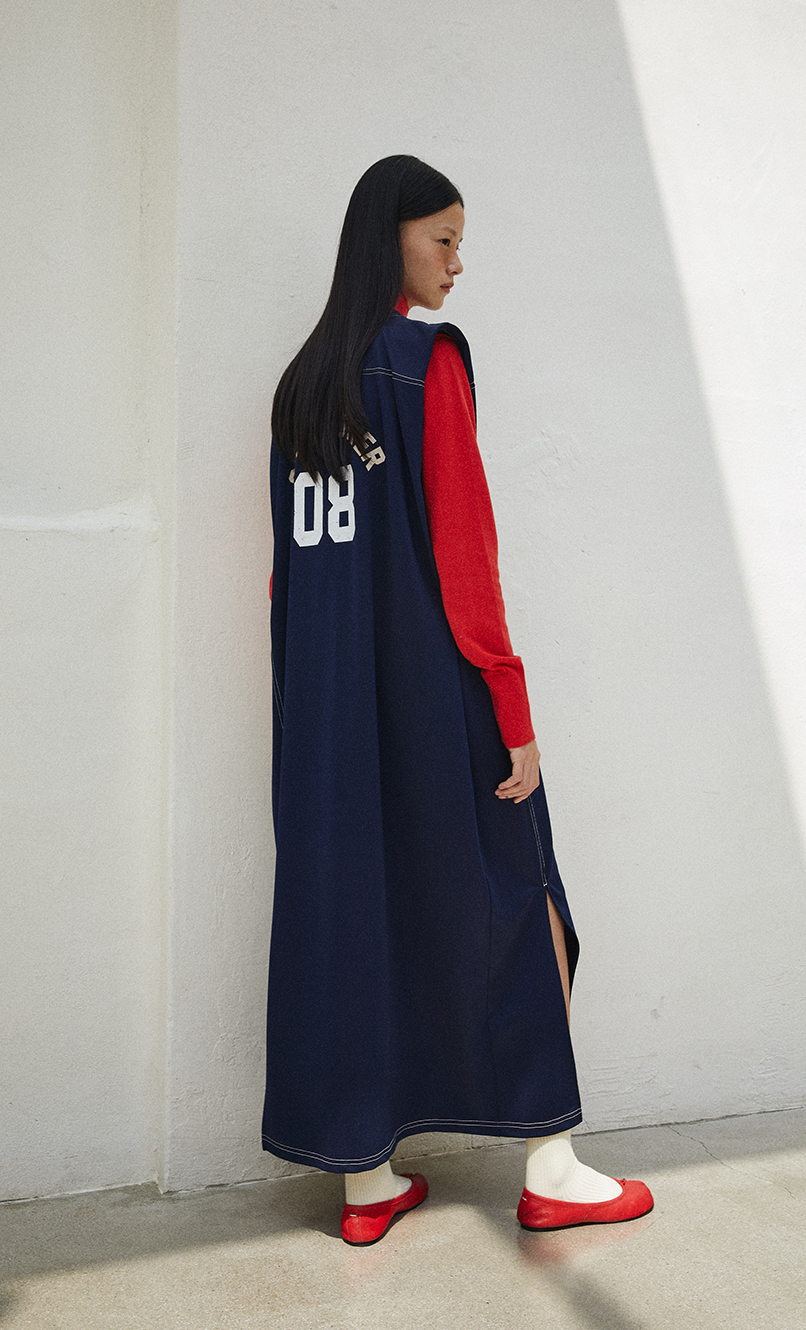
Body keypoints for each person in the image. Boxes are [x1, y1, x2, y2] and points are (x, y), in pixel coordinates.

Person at [265, 152, 654, 1243]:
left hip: (326, 717)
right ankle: (552, 1167)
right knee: (528, 901)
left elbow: (284, 582)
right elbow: (464, 551)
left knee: (355, 916)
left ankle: (365, 1185)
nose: (456, 262)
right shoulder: (423, 362)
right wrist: (511, 712)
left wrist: (305, 722)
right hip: (439, 699)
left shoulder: (301, 386)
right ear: (388, 237)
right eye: (443, 239)